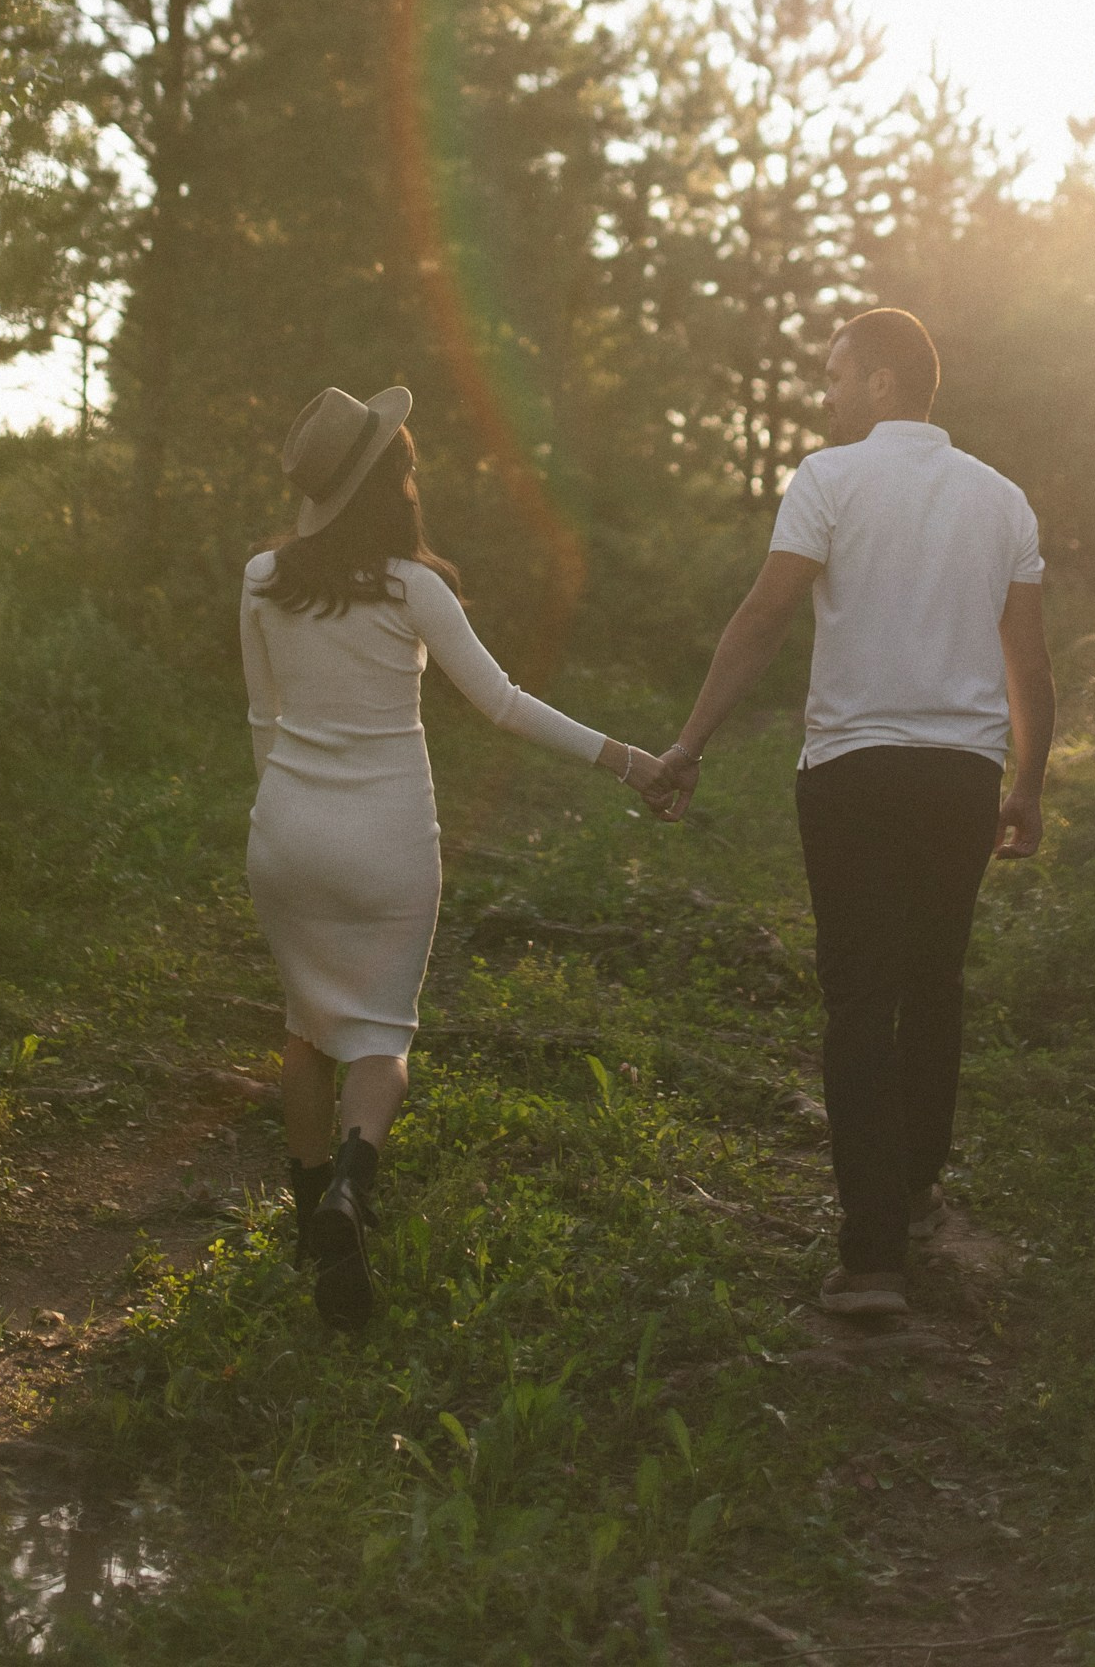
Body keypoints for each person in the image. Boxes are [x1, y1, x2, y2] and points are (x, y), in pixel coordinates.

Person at [647, 309, 1053, 1320]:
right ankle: (912, 1193)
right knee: (933, 981)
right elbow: (1028, 663)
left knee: (859, 999)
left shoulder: (827, 482)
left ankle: (872, 1257)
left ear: (878, 382)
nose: (823, 396)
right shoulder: (1001, 500)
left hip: (851, 774)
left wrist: (687, 744)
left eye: (833, 377)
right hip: (960, 775)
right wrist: (1027, 782)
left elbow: (764, 615)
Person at [240, 382, 671, 1330]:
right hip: (388, 841)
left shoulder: (262, 579)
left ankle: (309, 1218)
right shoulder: (413, 590)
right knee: (380, 1038)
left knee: (307, 1024)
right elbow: (506, 704)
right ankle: (353, 1191)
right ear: (393, 482)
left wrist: (285, 809)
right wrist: (632, 762)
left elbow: (263, 719)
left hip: (286, 838)